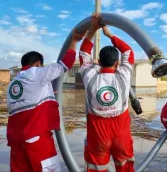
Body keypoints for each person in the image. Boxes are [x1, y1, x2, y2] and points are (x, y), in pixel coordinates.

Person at [6, 29, 85, 171]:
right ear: (37, 64)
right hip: (36, 138)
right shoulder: (36, 73)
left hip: (16, 141)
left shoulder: (14, 83)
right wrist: (73, 41)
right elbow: (66, 63)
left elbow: (29, 100)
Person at [80, 13, 135, 172]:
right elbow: (128, 52)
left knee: (97, 167)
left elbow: (84, 53)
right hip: (121, 131)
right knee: (125, 166)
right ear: (117, 63)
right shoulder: (124, 76)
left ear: (98, 61)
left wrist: (92, 30)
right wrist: (109, 34)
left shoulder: (89, 76)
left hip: (98, 133)